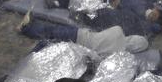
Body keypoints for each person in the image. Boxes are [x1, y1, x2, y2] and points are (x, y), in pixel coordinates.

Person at [20, 15, 149, 55]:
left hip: (80, 35)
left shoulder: (118, 31)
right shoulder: (117, 54)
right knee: (52, 42)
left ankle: (26, 28)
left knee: (52, 32)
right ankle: (33, 51)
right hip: (79, 48)